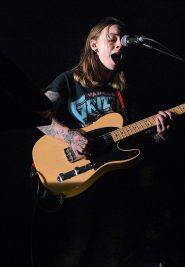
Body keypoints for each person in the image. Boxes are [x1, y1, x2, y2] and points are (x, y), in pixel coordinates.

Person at [35, 16, 173, 267]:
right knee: (71, 250)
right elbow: (35, 113)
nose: (120, 44)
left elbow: (137, 141)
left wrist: (158, 134)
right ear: (94, 44)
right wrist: (71, 136)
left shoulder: (125, 91)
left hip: (116, 185)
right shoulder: (69, 80)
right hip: (79, 177)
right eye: (112, 38)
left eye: (123, 40)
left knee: (110, 255)